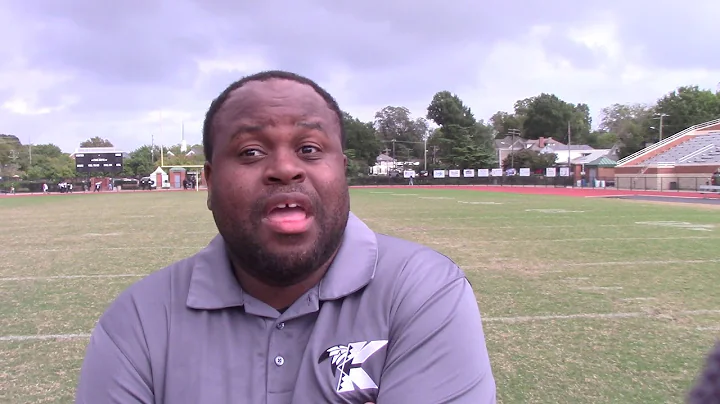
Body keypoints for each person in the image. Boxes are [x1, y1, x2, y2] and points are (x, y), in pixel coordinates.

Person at [74, 70, 496, 404]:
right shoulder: (138, 323)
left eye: (310, 149)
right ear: (208, 181)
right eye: (250, 152)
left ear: (342, 171)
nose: (284, 168)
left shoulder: (424, 293)